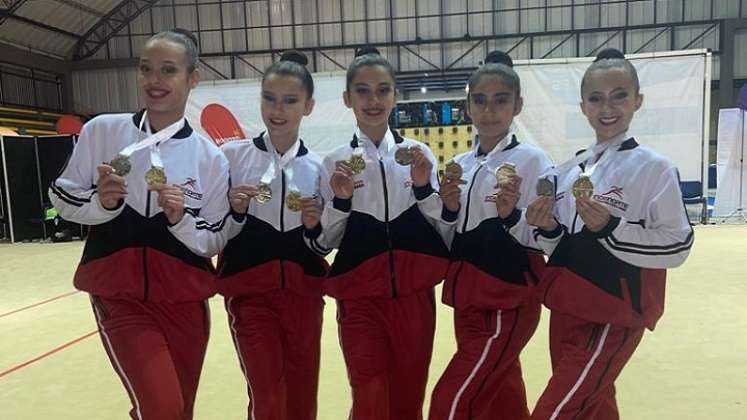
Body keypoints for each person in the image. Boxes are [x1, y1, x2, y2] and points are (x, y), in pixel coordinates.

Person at [49, 29, 230, 420]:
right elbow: (61, 196)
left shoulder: (210, 159)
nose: (154, 81)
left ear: (192, 79)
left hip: (185, 300)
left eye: (168, 70)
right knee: (162, 408)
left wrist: (180, 220)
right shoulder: (103, 131)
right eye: (146, 70)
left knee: (179, 411)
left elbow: (214, 238)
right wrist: (102, 204)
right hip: (121, 294)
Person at [526, 49, 694, 419]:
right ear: (583, 106)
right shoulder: (570, 170)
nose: (608, 107)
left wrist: (610, 228)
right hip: (568, 305)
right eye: (596, 98)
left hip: (614, 312)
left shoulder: (654, 169)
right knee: (594, 406)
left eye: (619, 95)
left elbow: (679, 244)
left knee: (556, 411)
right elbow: (564, 246)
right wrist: (547, 227)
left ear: (638, 100)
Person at [318, 47, 449, 419]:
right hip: (359, 298)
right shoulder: (334, 162)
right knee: (370, 395)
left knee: (409, 397)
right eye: (362, 91)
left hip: (413, 295)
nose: (373, 100)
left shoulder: (419, 153)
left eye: (382, 90)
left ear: (395, 94)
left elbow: (441, 224)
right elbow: (326, 241)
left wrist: (424, 188)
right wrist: (341, 201)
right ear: (348, 99)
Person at [428, 51, 553, 420]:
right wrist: (447, 209)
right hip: (466, 298)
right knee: (502, 395)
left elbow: (546, 235)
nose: (490, 110)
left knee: (451, 401)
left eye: (501, 101)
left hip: (508, 297)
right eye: (480, 101)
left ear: (518, 106)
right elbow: (448, 238)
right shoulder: (461, 165)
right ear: (467, 106)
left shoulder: (533, 162)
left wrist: (512, 215)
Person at [217, 50, 328, 420]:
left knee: (302, 394)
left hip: (305, 296)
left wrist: (318, 225)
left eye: (290, 101)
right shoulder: (232, 158)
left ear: (308, 106)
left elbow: (327, 241)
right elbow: (213, 227)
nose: (277, 110)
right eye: (269, 98)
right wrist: (234, 210)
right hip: (250, 295)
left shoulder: (319, 168)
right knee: (268, 395)